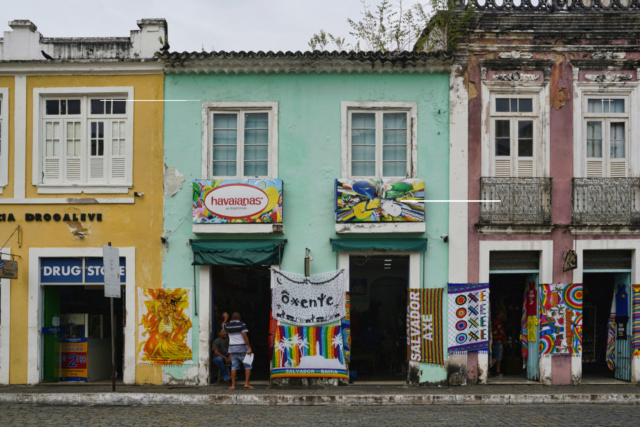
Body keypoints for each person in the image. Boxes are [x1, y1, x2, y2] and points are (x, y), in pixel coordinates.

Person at [222, 311, 253, 390]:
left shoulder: (228, 325)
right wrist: (249, 347)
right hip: (242, 348)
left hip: (232, 349)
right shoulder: (242, 324)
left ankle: (233, 385)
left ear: (232, 318)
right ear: (239, 318)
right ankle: (246, 384)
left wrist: (225, 318)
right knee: (248, 365)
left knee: (234, 367)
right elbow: (245, 336)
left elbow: (223, 326)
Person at [490, 310, 507, 377]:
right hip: (498, 340)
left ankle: (498, 371)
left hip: (497, 340)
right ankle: (487, 368)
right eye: (503, 313)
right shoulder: (497, 321)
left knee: (499, 356)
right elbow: (501, 331)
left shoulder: (495, 321)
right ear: (500, 314)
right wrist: (505, 337)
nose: (503, 315)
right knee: (497, 356)